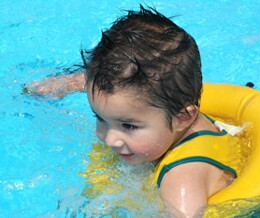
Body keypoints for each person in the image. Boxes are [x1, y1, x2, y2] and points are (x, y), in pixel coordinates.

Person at [24, 6, 241, 217]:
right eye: (99, 117)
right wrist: (69, 83)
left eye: (128, 125)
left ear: (183, 117)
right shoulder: (157, 105)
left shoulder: (181, 179)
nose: (110, 139)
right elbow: (119, 87)